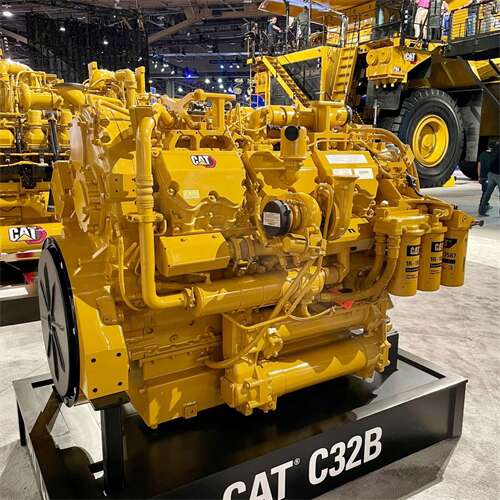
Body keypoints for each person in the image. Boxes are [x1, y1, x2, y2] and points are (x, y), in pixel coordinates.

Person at [478, 142, 500, 216]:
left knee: (487, 193)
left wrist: (479, 176)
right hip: (498, 175)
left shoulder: (485, 153)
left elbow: (480, 164)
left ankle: (482, 210)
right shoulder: (496, 152)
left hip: (490, 175)